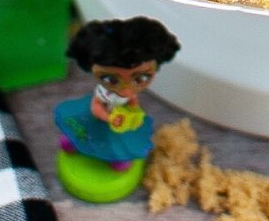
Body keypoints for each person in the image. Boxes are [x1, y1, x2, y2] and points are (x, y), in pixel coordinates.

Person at [54, 17, 180, 199]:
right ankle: (74, 142)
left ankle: (117, 158)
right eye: (111, 79)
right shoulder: (103, 93)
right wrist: (109, 118)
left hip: (119, 123)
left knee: (120, 143)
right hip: (98, 120)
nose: (126, 90)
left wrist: (134, 112)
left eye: (140, 78)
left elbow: (132, 101)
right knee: (85, 135)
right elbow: (95, 107)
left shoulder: (128, 94)